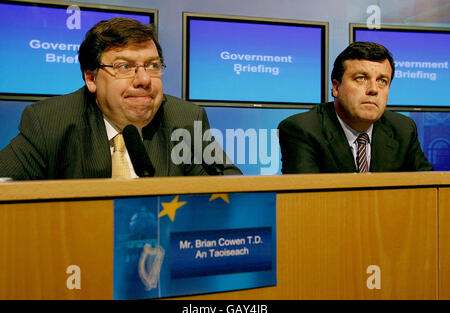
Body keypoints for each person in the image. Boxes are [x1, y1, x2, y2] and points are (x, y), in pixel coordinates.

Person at [0, 18, 241, 180]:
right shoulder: (50, 122)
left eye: (153, 66)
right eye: (125, 66)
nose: (144, 80)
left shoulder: (185, 120)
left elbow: (231, 191)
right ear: (91, 78)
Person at [278, 41, 433, 173]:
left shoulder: (403, 129)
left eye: (382, 81)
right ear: (336, 87)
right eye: (361, 78)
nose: (373, 89)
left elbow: (430, 192)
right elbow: (304, 201)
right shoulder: (302, 130)